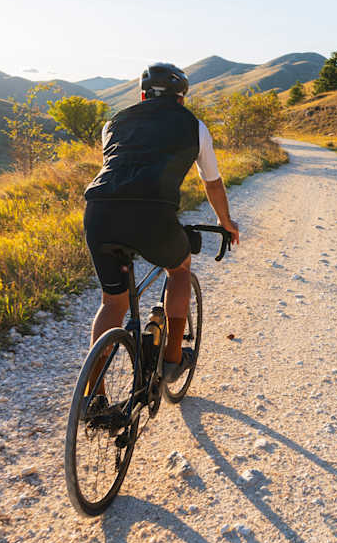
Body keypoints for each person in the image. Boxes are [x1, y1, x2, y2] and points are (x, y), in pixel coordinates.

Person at [82, 62, 240, 381]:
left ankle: (93, 395)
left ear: (143, 95)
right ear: (180, 98)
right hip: (152, 214)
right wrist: (226, 222)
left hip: (99, 211)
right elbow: (212, 183)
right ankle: (172, 359)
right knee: (179, 269)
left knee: (112, 303)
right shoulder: (193, 126)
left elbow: (119, 167)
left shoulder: (113, 123)